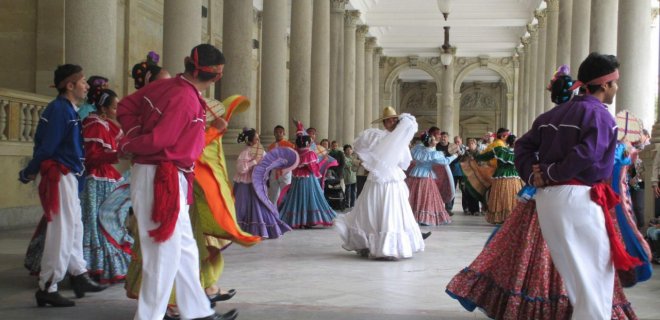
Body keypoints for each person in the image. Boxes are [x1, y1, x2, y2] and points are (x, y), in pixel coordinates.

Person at [514, 52, 640, 319]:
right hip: (578, 198)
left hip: (548, 201)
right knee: (595, 274)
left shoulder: (553, 114)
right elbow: (588, 154)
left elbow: (523, 146)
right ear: (605, 84)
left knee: (578, 276)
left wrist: (534, 174)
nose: (617, 88)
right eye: (615, 83)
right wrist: (550, 173)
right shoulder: (600, 115)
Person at [117, 44, 236, 320]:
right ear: (217, 76)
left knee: (183, 249)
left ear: (187, 64)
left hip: (168, 175)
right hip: (161, 178)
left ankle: (196, 311)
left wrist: (135, 136)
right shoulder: (184, 97)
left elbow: (125, 107)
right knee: (163, 254)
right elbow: (162, 140)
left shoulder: (171, 88)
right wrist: (132, 143)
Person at [19, 64, 107, 307]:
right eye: (83, 82)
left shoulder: (68, 109)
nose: (87, 86)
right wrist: (29, 171)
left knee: (75, 225)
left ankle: (78, 274)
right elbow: (47, 147)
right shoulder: (59, 110)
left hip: (68, 173)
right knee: (62, 230)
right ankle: (48, 285)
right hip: (58, 174)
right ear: (70, 85)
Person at [336, 106, 424, 260]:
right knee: (377, 208)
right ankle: (373, 243)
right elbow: (403, 163)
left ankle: (383, 245)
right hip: (383, 177)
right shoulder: (379, 137)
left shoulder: (386, 139)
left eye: (392, 120)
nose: (390, 122)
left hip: (386, 178)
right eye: (389, 120)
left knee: (385, 208)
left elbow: (402, 162)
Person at [80, 88, 131, 283]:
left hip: (105, 177)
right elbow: (91, 156)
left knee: (106, 220)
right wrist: (116, 155)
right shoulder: (94, 125)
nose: (117, 111)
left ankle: (100, 265)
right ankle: (92, 265)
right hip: (96, 179)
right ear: (103, 108)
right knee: (97, 220)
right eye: (115, 107)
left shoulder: (104, 124)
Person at [234, 128, 292, 238]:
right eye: (256, 139)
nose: (258, 141)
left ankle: (263, 229)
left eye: (258, 138)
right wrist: (254, 162)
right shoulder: (245, 153)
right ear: (250, 141)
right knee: (243, 206)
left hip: (258, 184)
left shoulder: (261, 151)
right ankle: (242, 230)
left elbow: (267, 163)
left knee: (262, 205)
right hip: (246, 184)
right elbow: (241, 169)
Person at [279, 121, 336, 228]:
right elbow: (313, 168)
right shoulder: (309, 153)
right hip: (308, 179)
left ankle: (298, 220)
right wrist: (324, 161)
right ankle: (309, 219)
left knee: (296, 198)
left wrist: (299, 126)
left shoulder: (296, 152)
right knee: (312, 198)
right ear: (308, 143)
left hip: (296, 179)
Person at [407, 131, 457, 225]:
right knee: (426, 196)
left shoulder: (417, 149)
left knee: (414, 195)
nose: (436, 140)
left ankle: (412, 216)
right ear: (430, 142)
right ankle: (424, 218)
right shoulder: (432, 153)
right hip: (425, 176)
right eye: (434, 139)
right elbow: (445, 162)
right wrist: (455, 156)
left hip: (414, 174)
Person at [473, 134, 523, 224]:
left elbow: (483, 156)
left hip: (500, 178)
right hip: (514, 179)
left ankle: (500, 217)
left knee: (500, 196)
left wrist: (476, 153)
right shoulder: (520, 153)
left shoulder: (500, 150)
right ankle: (512, 217)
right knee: (512, 197)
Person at [267, 125, 295, 204]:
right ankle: (273, 211)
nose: (278, 134)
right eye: (276, 132)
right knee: (273, 193)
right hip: (274, 171)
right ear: (274, 133)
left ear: (284, 133)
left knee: (285, 191)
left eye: (280, 132)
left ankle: (286, 211)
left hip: (285, 171)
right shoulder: (271, 146)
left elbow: (293, 158)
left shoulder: (289, 145)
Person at [342, 144, 358, 209]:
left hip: (354, 176)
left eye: (350, 149)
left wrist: (355, 164)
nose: (349, 151)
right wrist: (354, 163)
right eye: (347, 150)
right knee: (347, 191)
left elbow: (356, 166)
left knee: (354, 191)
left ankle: (352, 204)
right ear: (345, 151)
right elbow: (348, 165)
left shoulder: (353, 157)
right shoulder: (344, 158)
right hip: (347, 176)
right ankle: (347, 204)